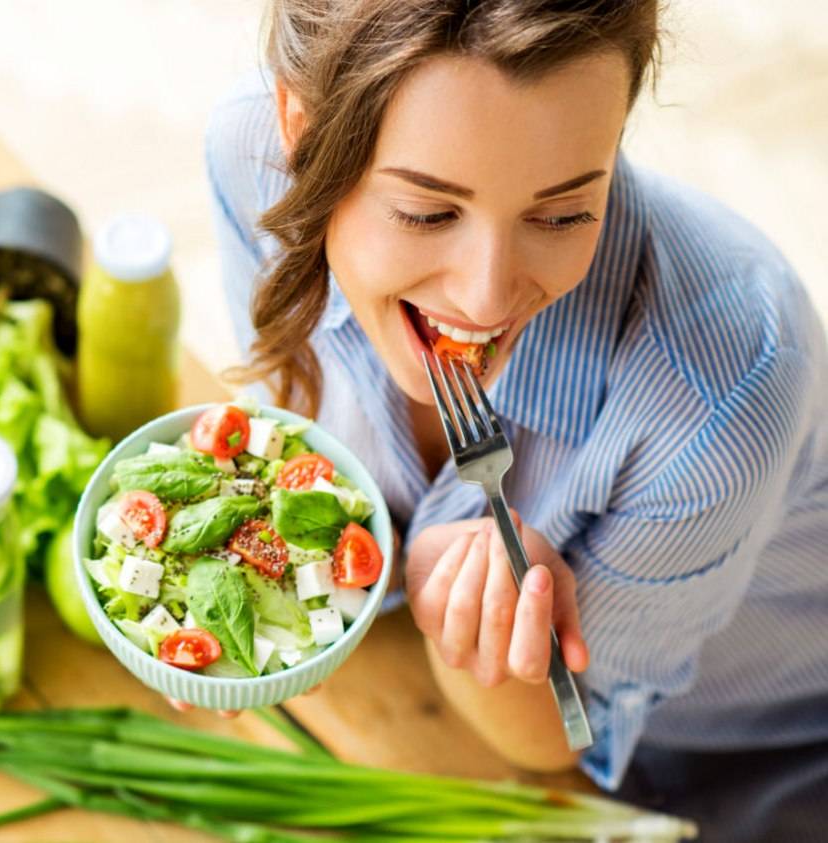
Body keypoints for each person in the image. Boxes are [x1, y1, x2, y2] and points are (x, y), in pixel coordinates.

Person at [204, 1, 828, 839]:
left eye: (564, 212)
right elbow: (304, 454)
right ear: (299, 131)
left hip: (758, 758)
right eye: (426, 213)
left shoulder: (727, 387)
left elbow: (569, 738)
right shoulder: (250, 160)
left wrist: (472, 608)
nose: (489, 296)